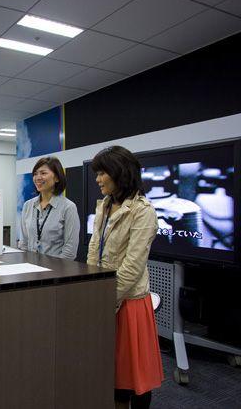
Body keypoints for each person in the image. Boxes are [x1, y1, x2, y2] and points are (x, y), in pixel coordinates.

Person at [86, 146, 163, 409]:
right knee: (114, 374)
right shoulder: (105, 206)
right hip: (105, 297)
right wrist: (92, 288)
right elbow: (94, 248)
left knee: (136, 378)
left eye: (102, 173)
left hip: (128, 302)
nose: (97, 179)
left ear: (119, 172)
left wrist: (104, 298)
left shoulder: (143, 211)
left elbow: (132, 266)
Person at [19, 156, 79, 260]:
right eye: (35, 174)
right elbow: (23, 243)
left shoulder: (68, 207)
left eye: (43, 173)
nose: (38, 177)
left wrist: (52, 272)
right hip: (30, 270)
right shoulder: (28, 205)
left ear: (57, 178)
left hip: (56, 272)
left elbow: (70, 251)